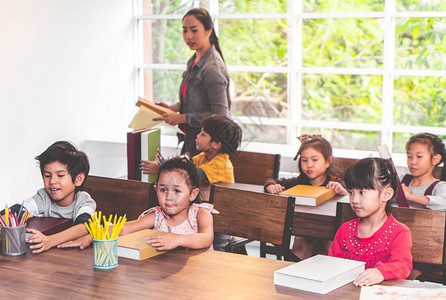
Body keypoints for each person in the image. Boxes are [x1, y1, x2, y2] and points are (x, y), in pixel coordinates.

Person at [61, 156, 215, 251]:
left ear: (193, 194)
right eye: (163, 190)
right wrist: (93, 235)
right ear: (156, 189)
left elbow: (206, 238)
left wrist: (177, 239)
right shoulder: (157, 216)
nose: (169, 197)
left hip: (198, 273)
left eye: (177, 191)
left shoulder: (200, 214)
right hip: (166, 274)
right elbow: (124, 228)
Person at [152, 7, 231, 157]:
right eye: (184, 30)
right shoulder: (194, 60)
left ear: (208, 31)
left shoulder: (212, 68)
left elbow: (220, 115)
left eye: (194, 30)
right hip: (191, 142)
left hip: (207, 151)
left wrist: (182, 118)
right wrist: (172, 108)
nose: (188, 36)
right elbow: (197, 102)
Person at [329, 157, 413, 286]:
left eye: (362, 192)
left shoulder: (399, 232)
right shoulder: (345, 230)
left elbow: (402, 265)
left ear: (386, 194)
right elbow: (332, 266)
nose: (355, 199)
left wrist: (381, 272)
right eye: (351, 192)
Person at [264, 135, 347, 260]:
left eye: (314, 160)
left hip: (329, 234)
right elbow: (273, 180)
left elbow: (349, 198)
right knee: (299, 250)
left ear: (328, 161)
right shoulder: (299, 182)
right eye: (304, 160)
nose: (309, 165)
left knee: (326, 254)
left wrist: (342, 191)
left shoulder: (335, 182)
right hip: (304, 231)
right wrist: (271, 186)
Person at [23, 141, 96, 253]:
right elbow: (19, 210)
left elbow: (83, 227)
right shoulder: (43, 197)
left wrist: (50, 241)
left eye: (60, 175)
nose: (52, 181)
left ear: (78, 179)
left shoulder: (84, 201)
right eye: (47, 175)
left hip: (76, 257)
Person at [400, 132, 446, 210]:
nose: (413, 162)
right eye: (409, 156)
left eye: (419, 156)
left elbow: (443, 204)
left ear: (435, 159)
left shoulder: (440, 186)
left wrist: (410, 197)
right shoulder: (401, 180)